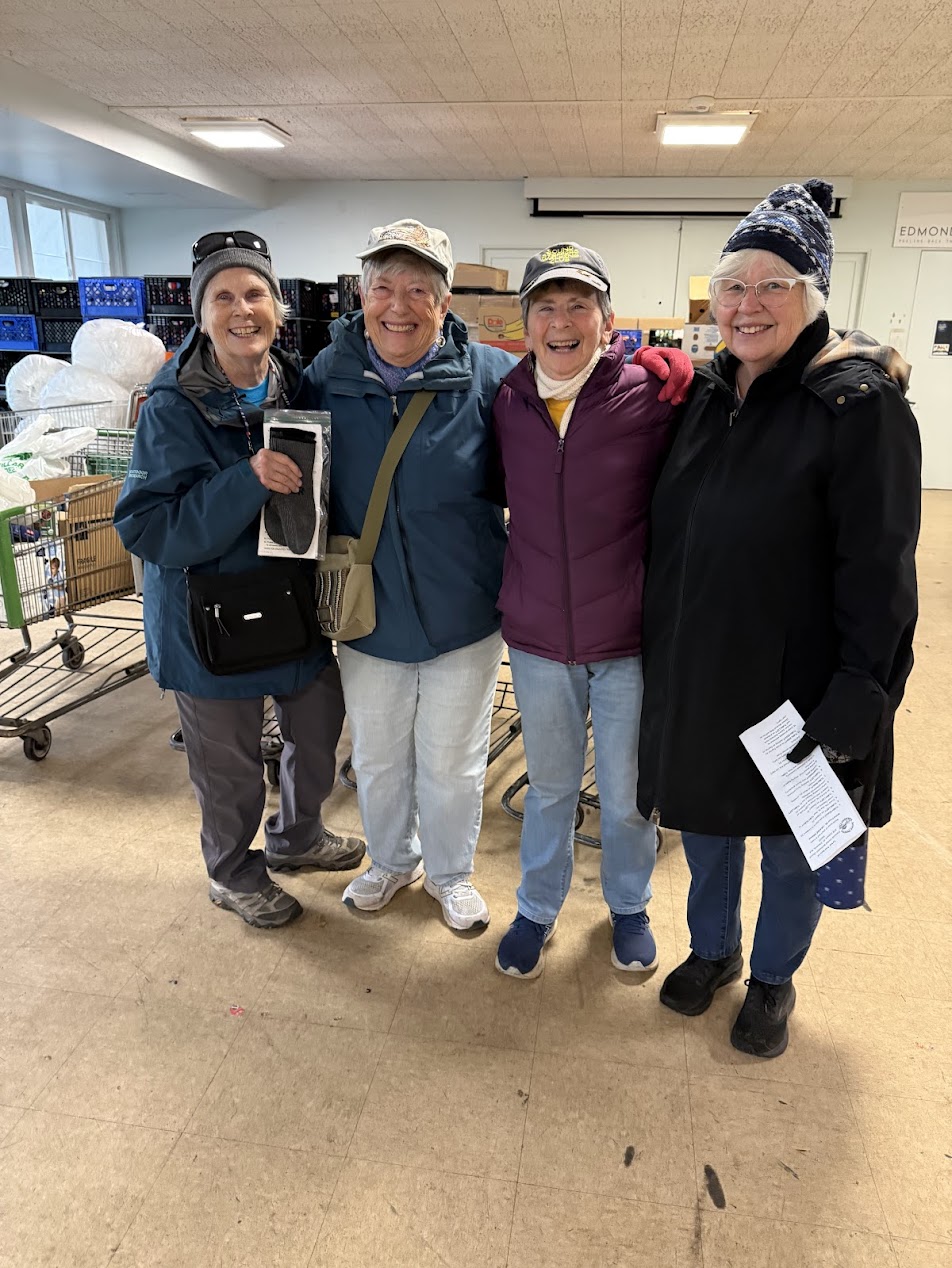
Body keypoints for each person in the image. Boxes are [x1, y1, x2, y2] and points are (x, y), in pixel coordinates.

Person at [301, 219, 687, 933]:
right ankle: (390, 861)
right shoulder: (326, 375)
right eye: (383, 287)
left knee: (453, 760)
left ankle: (451, 875)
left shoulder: (490, 378)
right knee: (379, 757)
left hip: (467, 609)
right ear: (361, 296)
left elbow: (571, 412)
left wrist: (657, 362)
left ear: (444, 302)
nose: (398, 305)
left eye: (419, 290)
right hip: (368, 610)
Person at [637, 181, 921, 1057]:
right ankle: (713, 949)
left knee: (793, 841)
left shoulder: (856, 406)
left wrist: (862, 686)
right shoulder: (703, 397)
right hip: (703, 663)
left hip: (802, 676)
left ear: (812, 294)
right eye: (732, 286)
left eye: (773, 284)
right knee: (707, 822)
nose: (747, 304)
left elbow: (880, 565)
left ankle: (772, 978)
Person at [115, 230, 364, 929]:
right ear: (200, 315)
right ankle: (231, 872)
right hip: (208, 616)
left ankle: (298, 837)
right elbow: (147, 528)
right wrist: (245, 481)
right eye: (222, 297)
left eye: (255, 293)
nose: (241, 310)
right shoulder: (172, 407)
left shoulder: (298, 386)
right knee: (227, 764)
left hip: (289, 602)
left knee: (318, 722)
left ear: (277, 307)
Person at [492, 244, 687, 979]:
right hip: (539, 636)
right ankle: (537, 908)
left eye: (580, 305)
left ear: (609, 321)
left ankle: (629, 905)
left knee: (629, 793)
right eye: (546, 306)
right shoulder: (507, 400)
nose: (562, 322)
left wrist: (681, 366)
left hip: (626, 636)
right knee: (549, 787)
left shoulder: (652, 396)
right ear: (527, 323)